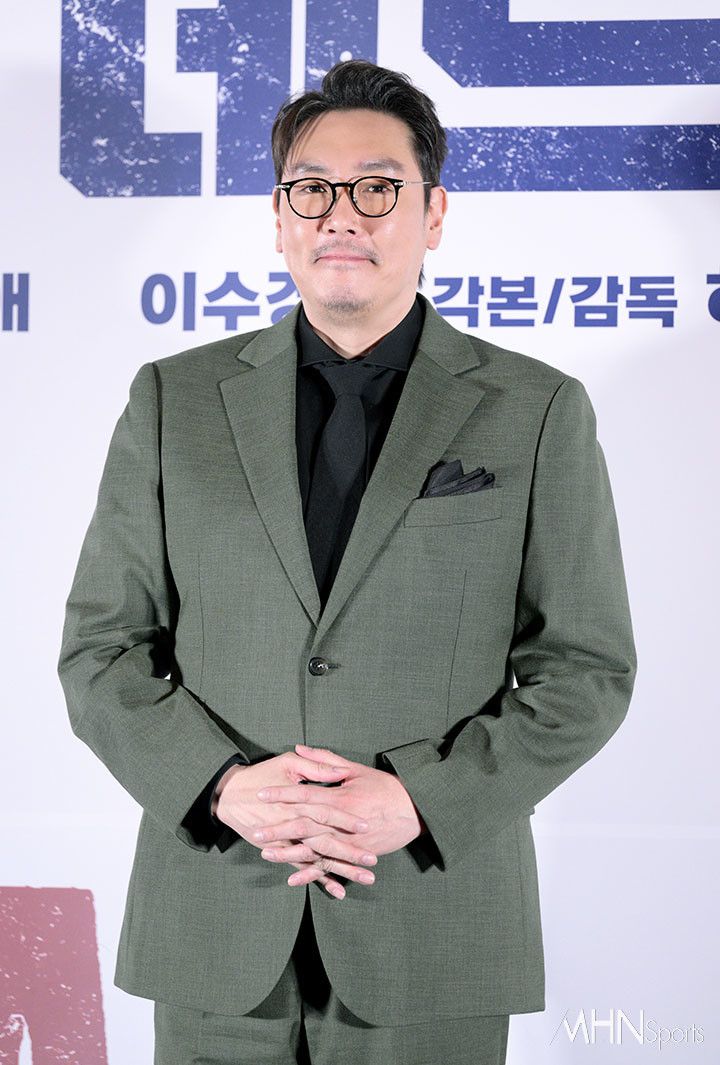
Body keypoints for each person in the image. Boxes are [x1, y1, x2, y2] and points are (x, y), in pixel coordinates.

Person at [57, 59, 637, 1065]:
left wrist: (420, 799)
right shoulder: (172, 400)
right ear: (279, 218)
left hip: (431, 925)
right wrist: (220, 787)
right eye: (312, 189)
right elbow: (102, 650)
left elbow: (585, 671)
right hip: (215, 922)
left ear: (433, 212)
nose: (341, 216)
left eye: (377, 188)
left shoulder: (537, 410)